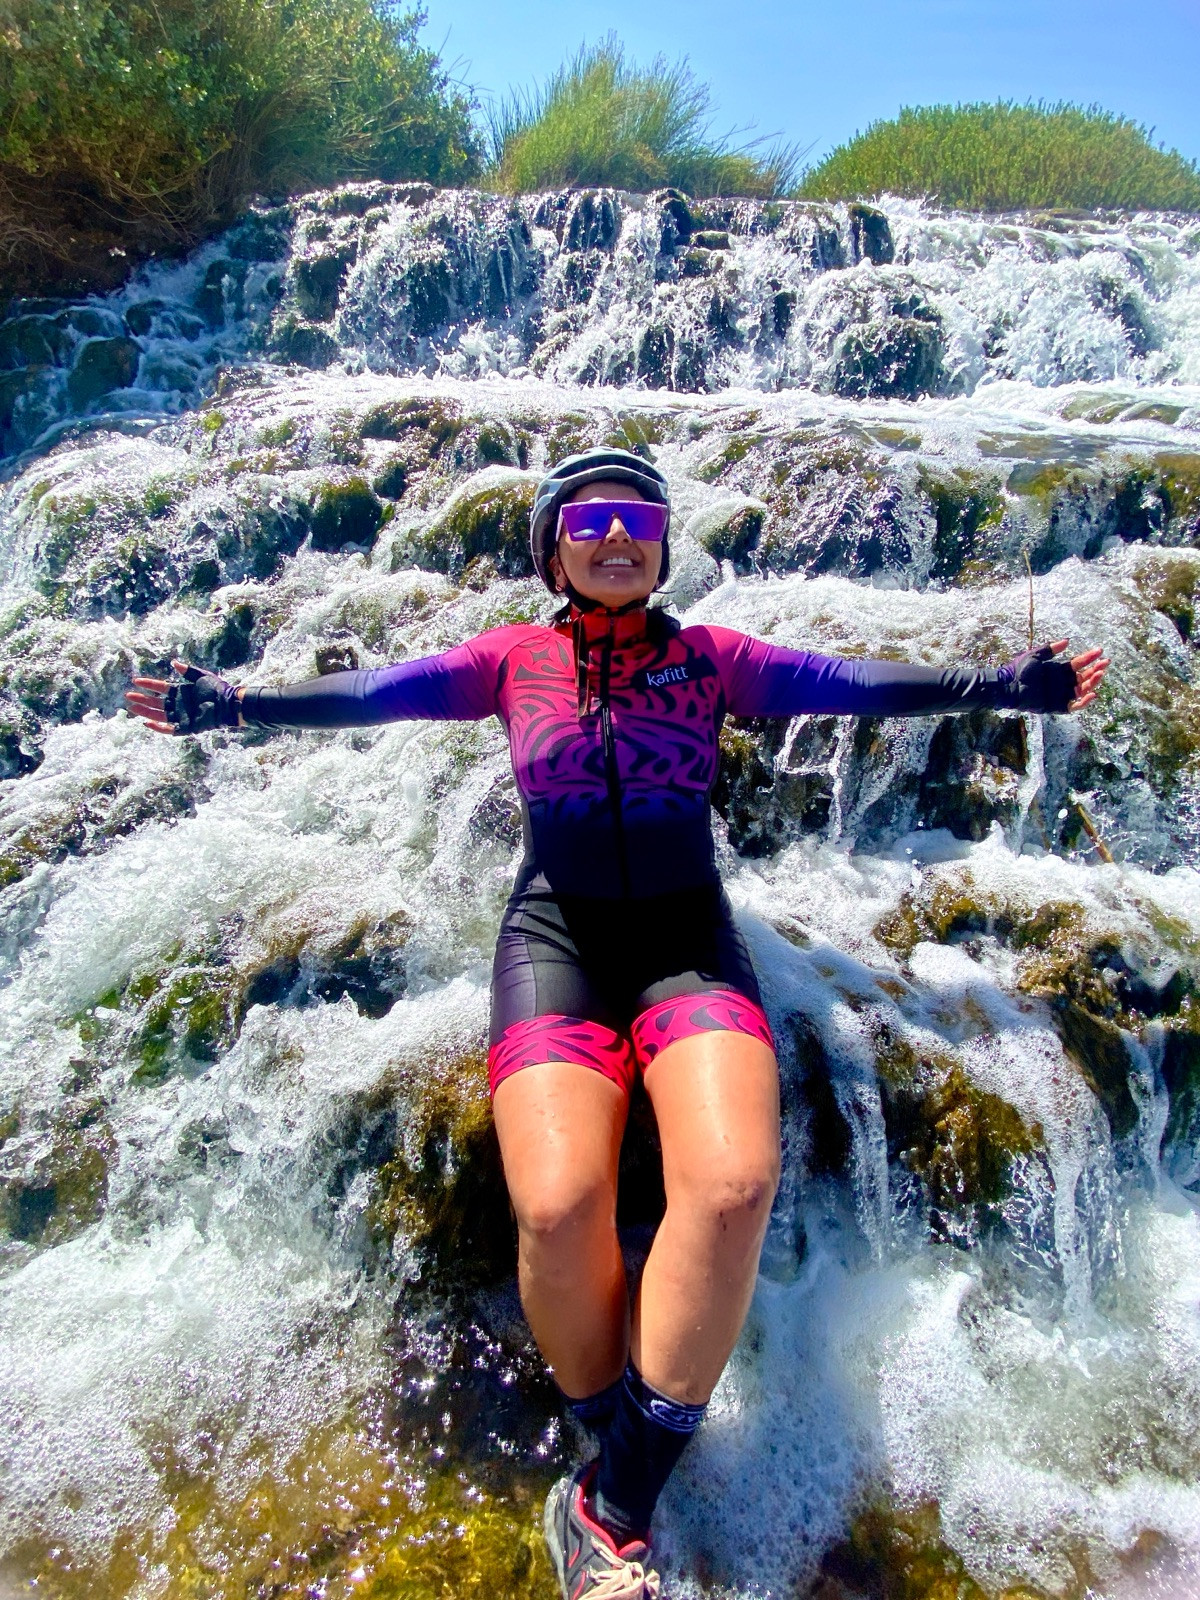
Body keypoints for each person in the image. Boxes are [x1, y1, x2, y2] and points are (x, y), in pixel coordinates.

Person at [127, 446, 1109, 1600]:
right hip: (557, 943)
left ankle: (612, 1502)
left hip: (685, 944)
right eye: (589, 521)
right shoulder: (511, 660)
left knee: (734, 1186)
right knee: (556, 1208)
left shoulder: (711, 660)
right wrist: (232, 703)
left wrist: (1004, 684)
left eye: (639, 520)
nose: (616, 537)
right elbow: (374, 691)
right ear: (552, 550)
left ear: (663, 545)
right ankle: (617, 1434)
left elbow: (852, 680)